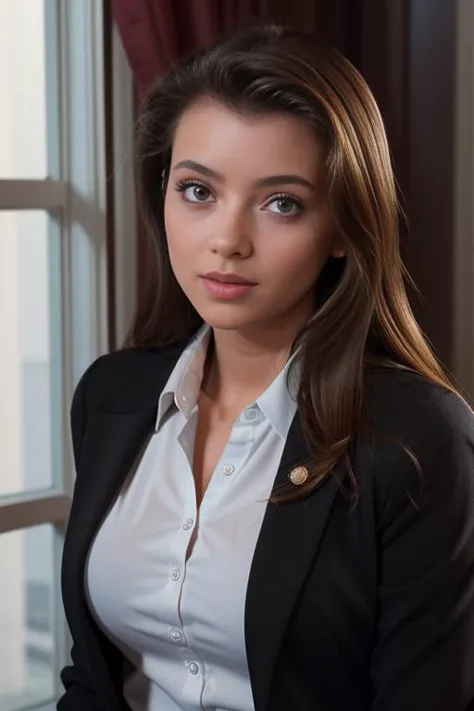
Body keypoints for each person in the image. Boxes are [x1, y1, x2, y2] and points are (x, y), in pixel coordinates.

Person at [58, 24, 474, 711]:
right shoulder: (112, 396)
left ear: (343, 226)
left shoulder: (418, 443)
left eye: (282, 203)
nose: (227, 240)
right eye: (198, 191)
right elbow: (93, 676)